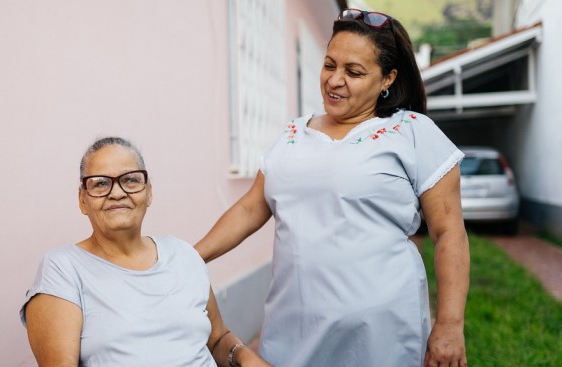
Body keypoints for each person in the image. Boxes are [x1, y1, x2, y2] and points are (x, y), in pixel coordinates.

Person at [195, 9, 470, 367]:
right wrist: (188, 258)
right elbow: (250, 208)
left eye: (353, 72)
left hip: (381, 335)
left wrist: (449, 325)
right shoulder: (293, 135)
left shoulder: (412, 132)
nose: (334, 80)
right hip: (292, 331)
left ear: (387, 78)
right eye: (329, 65)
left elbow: (449, 233)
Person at [20, 137, 272, 367]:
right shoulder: (63, 269)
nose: (117, 192)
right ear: (82, 200)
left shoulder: (183, 254)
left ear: (149, 192)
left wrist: (241, 354)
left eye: (130, 179)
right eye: (100, 183)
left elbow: (218, 340)